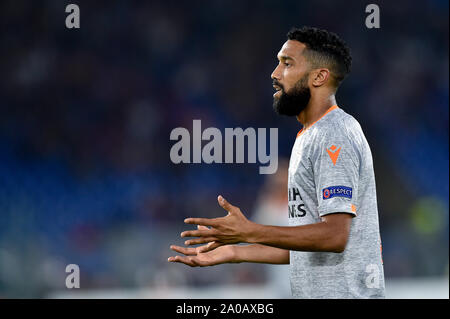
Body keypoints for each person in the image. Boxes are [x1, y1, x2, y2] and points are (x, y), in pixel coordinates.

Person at [168, 26, 386, 299]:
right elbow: (307, 248)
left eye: (287, 63)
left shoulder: (334, 135)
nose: (274, 74)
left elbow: (334, 237)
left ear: (319, 76)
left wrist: (249, 231)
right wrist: (234, 251)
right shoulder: (308, 137)